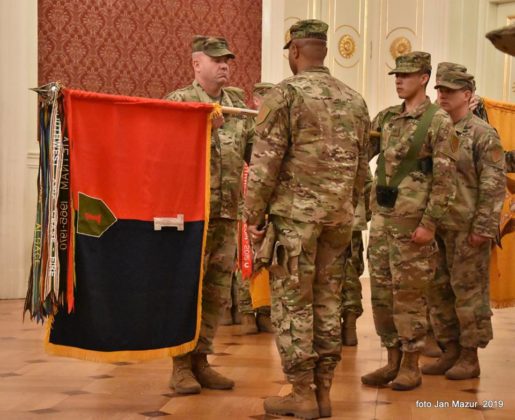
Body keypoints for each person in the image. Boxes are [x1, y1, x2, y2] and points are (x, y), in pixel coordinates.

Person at [245, 19, 369, 419]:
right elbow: (362, 170)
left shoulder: (284, 95)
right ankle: (324, 392)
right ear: (324, 51)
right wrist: (348, 209)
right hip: (339, 219)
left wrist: (253, 216)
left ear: (295, 51)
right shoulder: (355, 100)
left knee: (292, 303)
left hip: (296, 222)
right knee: (329, 302)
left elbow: (264, 165)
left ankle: (302, 393)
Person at [361, 51, 458, 391]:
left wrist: (430, 224)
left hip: (413, 227)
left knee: (410, 297)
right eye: (397, 76)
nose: (399, 81)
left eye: (406, 75)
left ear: (424, 78)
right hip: (383, 224)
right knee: (382, 296)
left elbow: (446, 181)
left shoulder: (438, 122)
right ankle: (391, 361)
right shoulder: (387, 117)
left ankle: (411, 365)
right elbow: (360, 153)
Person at [164, 35, 253, 394]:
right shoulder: (179, 101)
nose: (224, 65)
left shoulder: (237, 106)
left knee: (216, 292)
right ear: (196, 63)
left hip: (227, 214)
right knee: (186, 289)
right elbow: (164, 152)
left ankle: (201, 360)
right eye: (216, 60)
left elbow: (253, 152)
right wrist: (200, 129)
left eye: (227, 60)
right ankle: (180, 365)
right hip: (190, 217)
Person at [422, 68, 506, 380]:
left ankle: (470, 356)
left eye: (450, 91)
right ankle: (450, 350)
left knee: (469, 293)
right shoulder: (435, 130)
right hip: (438, 227)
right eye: (440, 90)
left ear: (467, 95)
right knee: (439, 292)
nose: (442, 95)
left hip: (468, 229)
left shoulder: (483, 134)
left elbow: (494, 183)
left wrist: (483, 227)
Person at [237, 82, 276, 335]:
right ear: (256, 101)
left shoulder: (276, 128)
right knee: (245, 257)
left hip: (270, 202)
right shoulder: (245, 128)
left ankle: (264, 312)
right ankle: (245, 311)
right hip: (244, 201)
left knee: (267, 258)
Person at [340, 168, 372, 346]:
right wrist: (362, 214)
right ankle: (350, 325)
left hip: (318, 217)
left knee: (326, 274)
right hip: (352, 216)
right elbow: (367, 184)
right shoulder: (356, 149)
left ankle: (329, 328)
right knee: (350, 270)